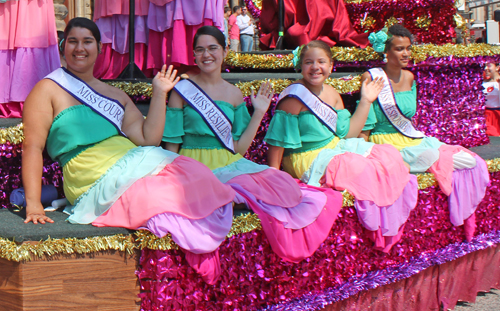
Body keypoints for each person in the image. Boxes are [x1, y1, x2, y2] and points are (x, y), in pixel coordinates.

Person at [22, 18, 236, 267]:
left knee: (199, 176)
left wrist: (159, 93)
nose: (80, 48)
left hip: (136, 161)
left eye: (87, 41)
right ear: (63, 46)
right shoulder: (48, 88)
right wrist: (33, 204)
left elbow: (148, 138)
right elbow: (33, 147)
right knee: (160, 197)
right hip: (91, 175)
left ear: (100, 48)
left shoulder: (115, 94)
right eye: (73, 41)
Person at [163, 26, 342, 267]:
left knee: (282, 185)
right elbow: (172, 143)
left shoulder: (235, 94)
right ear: (194, 55)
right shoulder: (182, 91)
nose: (207, 54)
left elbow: (238, 148)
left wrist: (258, 112)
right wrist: (171, 175)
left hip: (228, 161)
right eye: (200, 49)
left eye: (213, 48)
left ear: (225, 51)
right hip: (192, 164)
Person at [264, 40, 418, 252]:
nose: (315, 67)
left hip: (335, 148)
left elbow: (348, 134)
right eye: (309, 62)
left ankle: (385, 226)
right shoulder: (294, 97)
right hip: (307, 158)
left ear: (331, 65)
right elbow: (277, 141)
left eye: (321, 62)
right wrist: (273, 173)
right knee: (357, 166)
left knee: (388, 155)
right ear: (300, 66)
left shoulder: (333, 94)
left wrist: (365, 101)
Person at [359, 24, 490, 241]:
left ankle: (423, 164)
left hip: (410, 138)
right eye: (400, 49)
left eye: (408, 48)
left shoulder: (410, 77)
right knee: (435, 158)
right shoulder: (372, 77)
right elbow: (366, 122)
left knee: (471, 161)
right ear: (386, 51)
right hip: (384, 143)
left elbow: (409, 117)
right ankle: (417, 164)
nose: (406, 54)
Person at [482, 62, 500, 136]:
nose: (486, 68)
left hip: (497, 116)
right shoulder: (482, 83)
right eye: (484, 66)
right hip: (485, 116)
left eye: (489, 65)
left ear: (497, 67)